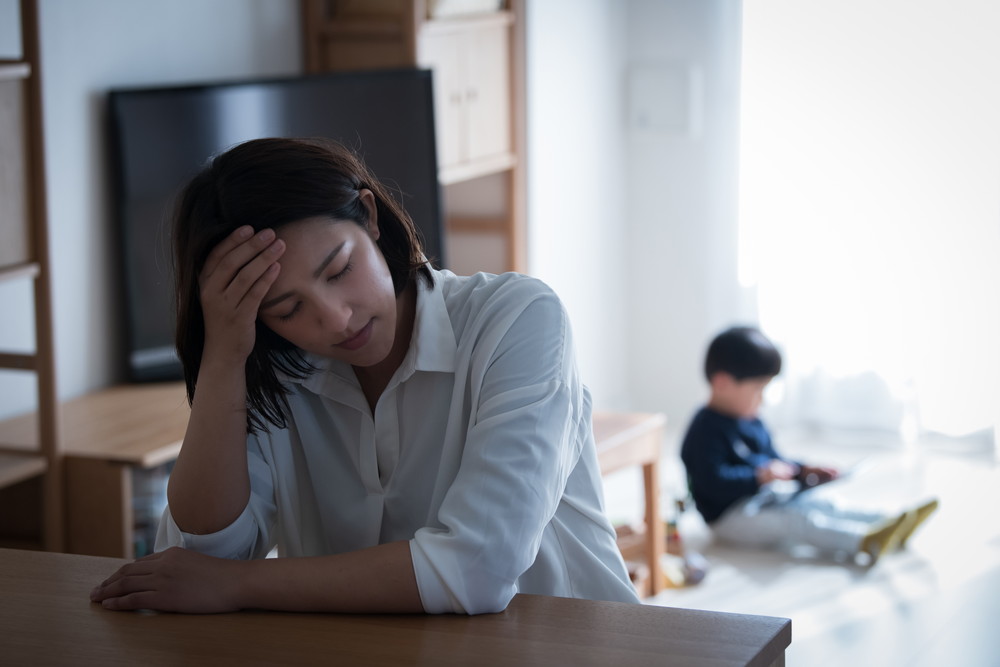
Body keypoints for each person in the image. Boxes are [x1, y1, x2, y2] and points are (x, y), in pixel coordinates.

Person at [90, 137, 639, 614]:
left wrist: (237, 586)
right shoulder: (274, 366)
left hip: (574, 647)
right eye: (286, 308)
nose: (335, 318)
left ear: (370, 217)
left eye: (340, 269)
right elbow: (197, 562)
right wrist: (224, 358)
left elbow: (477, 570)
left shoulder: (516, 320)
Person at [680, 326, 938, 566]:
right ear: (723, 383)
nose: (763, 399)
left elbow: (774, 457)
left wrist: (802, 469)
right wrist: (757, 477)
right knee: (797, 521)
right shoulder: (704, 430)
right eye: (758, 389)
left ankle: (890, 520)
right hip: (728, 518)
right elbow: (711, 482)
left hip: (763, 500)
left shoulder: (752, 420)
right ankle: (863, 541)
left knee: (822, 503)